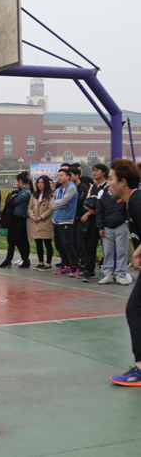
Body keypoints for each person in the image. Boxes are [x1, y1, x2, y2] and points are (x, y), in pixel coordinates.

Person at [106, 160, 141, 385]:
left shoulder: (136, 201)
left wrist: (138, 251)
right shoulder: (132, 202)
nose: (108, 183)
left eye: (110, 179)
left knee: (134, 309)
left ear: (123, 182)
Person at [96, 181, 130, 285]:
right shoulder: (102, 193)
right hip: (106, 227)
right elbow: (99, 211)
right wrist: (100, 227)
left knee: (121, 251)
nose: (110, 183)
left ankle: (120, 274)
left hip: (121, 225)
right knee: (108, 252)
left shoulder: (122, 193)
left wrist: (127, 220)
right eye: (109, 179)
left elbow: (128, 207)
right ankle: (108, 274)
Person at [80, 164, 109, 282]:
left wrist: (88, 213)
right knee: (90, 246)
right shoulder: (92, 187)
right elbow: (86, 203)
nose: (94, 173)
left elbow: (103, 206)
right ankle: (89, 270)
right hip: (92, 221)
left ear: (104, 172)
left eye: (97, 170)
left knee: (107, 247)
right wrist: (91, 210)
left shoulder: (106, 186)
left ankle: (108, 271)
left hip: (103, 221)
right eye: (93, 170)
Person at [0, 172, 32, 269]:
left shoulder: (26, 193)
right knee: (10, 240)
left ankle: (25, 260)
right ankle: (8, 260)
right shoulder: (21, 192)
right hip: (14, 218)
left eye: (16, 181)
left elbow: (13, 201)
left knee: (19, 240)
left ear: (20, 181)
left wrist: (14, 191)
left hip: (20, 219)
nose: (16, 184)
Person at [52, 169, 79, 275]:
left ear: (68, 177)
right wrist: (61, 204)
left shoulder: (71, 187)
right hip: (56, 220)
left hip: (66, 220)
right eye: (58, 175)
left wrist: (60, 203)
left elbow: (65, 201)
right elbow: (52, 204)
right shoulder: (58, 190)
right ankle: (66, 265)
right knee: (59, 244)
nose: (59, 177)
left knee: (67, 244)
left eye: (61, 175)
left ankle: (75, 266)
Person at [28, 175, 54, 271]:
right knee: (38, 243)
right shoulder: (34, 195)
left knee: (47, 243)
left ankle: (48, 263)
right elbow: (29, 207)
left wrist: (41, 217)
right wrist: (33, 216)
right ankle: (40, 262)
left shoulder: (50, 196)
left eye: (42, 182)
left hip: (45, 221)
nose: (40, 184)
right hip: (35, 221)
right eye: (38, 182)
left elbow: (50, 209)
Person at [70, 167, 90, 275]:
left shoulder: (83, 187)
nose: (69, 177)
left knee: (81, 242)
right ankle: (75, 264)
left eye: (71, 175)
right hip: (71, 218)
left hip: (80, 218)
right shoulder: (70, 187)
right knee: (73, 242)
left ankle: (84, 264)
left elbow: (80, 201)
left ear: (77, 175)